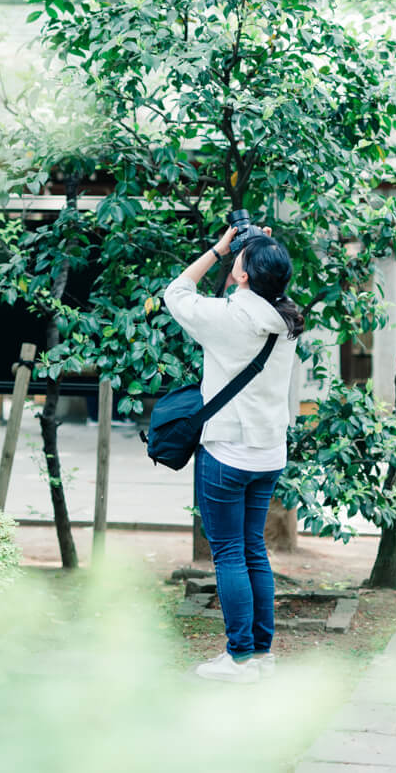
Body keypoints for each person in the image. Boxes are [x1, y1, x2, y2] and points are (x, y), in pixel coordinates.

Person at [162, 223, 304, 684]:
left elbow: (177, 291)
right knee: (253, 550)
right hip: (268, 454)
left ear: (242, 275)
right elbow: (261, 283)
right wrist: (256, 251)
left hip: (227, 453)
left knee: (227, 554)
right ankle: (261, 654)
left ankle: (239, 658)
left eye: (242, 261)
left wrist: (221, 248)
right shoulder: (286, 320)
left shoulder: (226, 318)